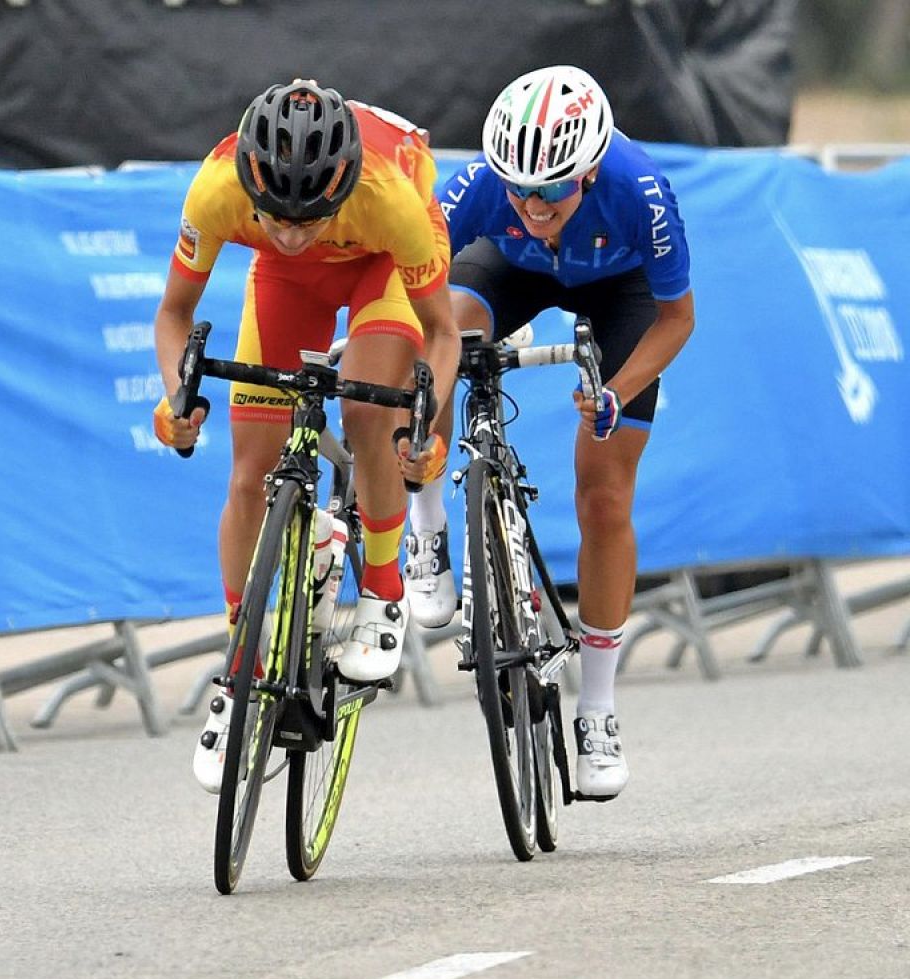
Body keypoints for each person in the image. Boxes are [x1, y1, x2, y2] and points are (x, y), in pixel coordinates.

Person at [150, 80, 458, 793]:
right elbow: (173, 316)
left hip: (380, 268)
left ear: (340, 187)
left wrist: (425, 416)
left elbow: (443, 332)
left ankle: (383, 592)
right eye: (275, 217)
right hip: (287, 287)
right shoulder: (219, 188)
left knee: (365, 416)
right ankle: (242, 670)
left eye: (308, 217)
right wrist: (177, 395)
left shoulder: (389, 197)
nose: (290, 232)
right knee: (247, 474)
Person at [399, 65, 695, 799]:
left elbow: (677, 317)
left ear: (590, 171)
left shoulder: (641, 192)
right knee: (440, 342)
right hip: (510, 272)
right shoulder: (478, 191)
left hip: (617, 288)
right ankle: (428, 521)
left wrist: (617, 391)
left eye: (553, 189)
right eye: (518, 188)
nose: (533, 203)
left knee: (603, 496)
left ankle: (597, 707)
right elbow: (407, 285)